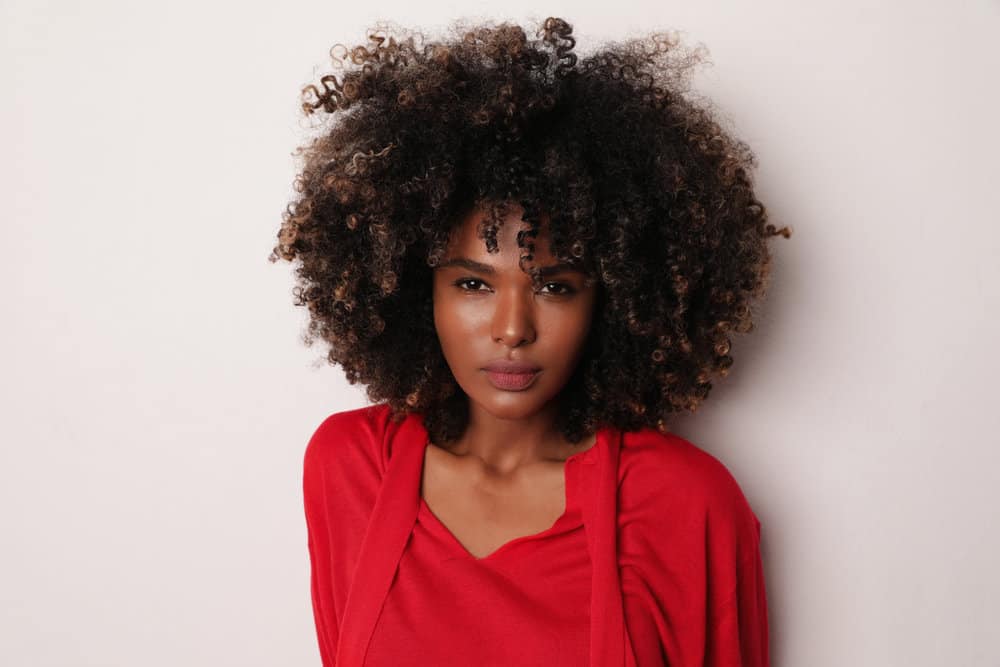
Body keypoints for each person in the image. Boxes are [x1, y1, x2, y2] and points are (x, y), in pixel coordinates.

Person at [269, 15, 791, 667]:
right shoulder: (349, 470)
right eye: (473, 284)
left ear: (615, 297)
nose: (513, 328)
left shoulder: (685, 504)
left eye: (556, 286)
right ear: (412, 288)